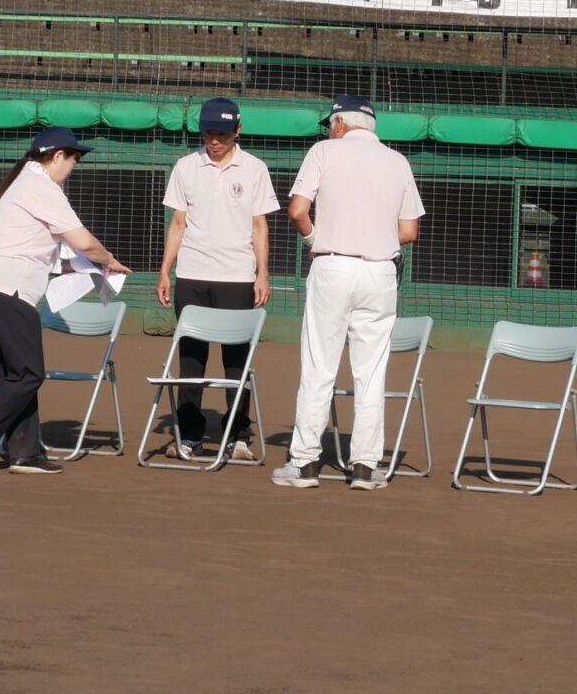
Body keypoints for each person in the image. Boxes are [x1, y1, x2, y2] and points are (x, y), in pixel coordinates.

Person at [0, 127, 130, 476]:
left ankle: (25, 452)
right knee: (28, 374)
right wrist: (107, 260)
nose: (74, 167)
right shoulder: (41, 187)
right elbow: (84, 242)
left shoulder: (22, 183)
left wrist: (84, 267)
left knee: (15, 376)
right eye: (74, 159)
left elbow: (37, 253)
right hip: (9, 291)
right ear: (58, 156)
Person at [274, 95, 425, 491]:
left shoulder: (324, 151)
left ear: (340, 123)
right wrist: (374, 237)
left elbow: (297, 211)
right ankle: (364, 468)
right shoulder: (398, 161)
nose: (329, 130)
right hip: (380, 272)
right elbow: (409, 231)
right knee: (371, 372)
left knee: (319, 365)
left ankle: (305, 463)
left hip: (333, 265)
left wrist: (314, 239)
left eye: (330, 124)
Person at [156, 97, 278, 460]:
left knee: (237, 359)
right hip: (191, 275)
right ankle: (190, 435)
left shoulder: (255, 169)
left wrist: (262, 274)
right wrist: (165, 270)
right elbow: (178, 224)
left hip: (238, 276)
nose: (214, 140)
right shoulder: (185, 167)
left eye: (222, 134)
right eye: (209, 132)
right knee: (191, 359)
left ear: (237, 131)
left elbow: (259, 226)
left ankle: (238, 435)